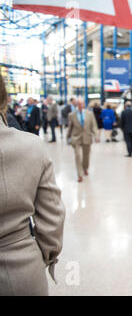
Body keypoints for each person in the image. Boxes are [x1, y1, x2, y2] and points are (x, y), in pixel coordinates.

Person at [0, 74, 65, 295]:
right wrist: (47, 254)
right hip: (21, 267)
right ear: (5, 100)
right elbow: (52, 214)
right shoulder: (32, 147)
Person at [67, 99, 99, 182]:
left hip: (87, 137)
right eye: (79, 104)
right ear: (76, 105)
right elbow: (70, 127)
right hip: (76, 138)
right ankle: (79, 174)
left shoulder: (90, 114)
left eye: (82, 103)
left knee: (86, 156)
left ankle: (85, 168)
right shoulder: (72, 115)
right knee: (78, 156)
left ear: (84, 104)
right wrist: (68, 137)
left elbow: (94, 125)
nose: (80, 105)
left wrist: (96, 135)